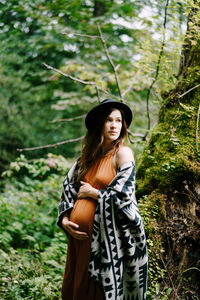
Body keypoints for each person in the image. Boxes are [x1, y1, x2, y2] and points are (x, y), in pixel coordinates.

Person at [57, 99, 148, 300]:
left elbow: (124, 197)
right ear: (100, 123)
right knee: (76, 288)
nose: (114, 125)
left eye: (118, 120)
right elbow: (68, 189)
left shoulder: (122, 154)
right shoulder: (89, 156)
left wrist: (93, 193)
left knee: (96, 291)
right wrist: (64, 220)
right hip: (79, 240)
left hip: (105, 243)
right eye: (109, 120)